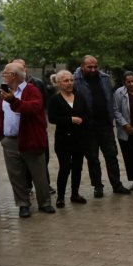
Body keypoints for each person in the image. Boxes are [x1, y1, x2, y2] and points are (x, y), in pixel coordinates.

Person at [0, 62, 55, 217]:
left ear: (14, 75)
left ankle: (45, 202)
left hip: (30, 139)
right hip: (9, 140)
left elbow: (33, 108)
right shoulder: (4, 91)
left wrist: (13, 101)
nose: (3, 75)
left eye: (6, 72)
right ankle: (23, 204)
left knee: (39, 173)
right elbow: (0, 114)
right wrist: (1, 135)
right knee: (15, 175)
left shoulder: (32, 90)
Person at [73, 55, 131, 197]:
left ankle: (116, 184)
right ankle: (98, 186)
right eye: (89, 67)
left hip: (105, 124)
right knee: (92, 158)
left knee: (111, 155)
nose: (93, 69)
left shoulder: (104, 78)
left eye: (95, 66)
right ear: (82, 66)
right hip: (88, 126)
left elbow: (109, 98)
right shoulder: (75, 80)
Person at [47, 70, 89, 208]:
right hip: (63, 140)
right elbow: (52, 118)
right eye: (66, 81)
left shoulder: (80, 97)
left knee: (77, 167)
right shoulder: (54, 99)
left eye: (71, 80)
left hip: (80, 138)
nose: (70, 83)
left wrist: (83, 120)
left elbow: (87, 114)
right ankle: (60, 197)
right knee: (65, 168)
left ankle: (75, 194)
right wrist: (70, 119)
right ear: (59, 83)